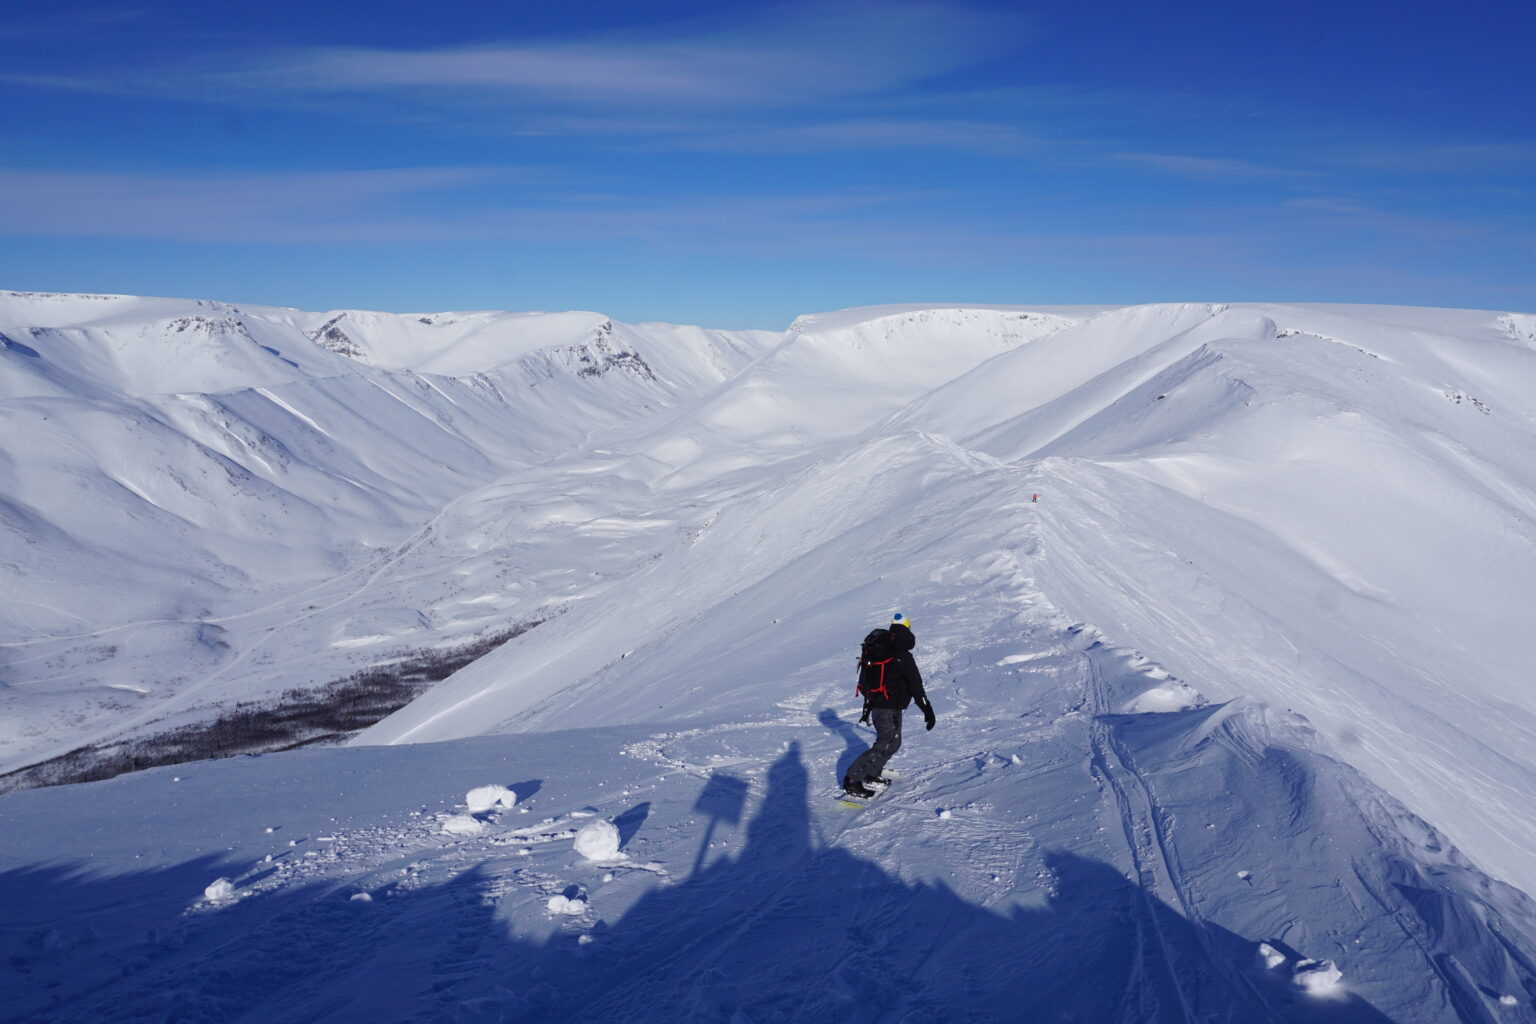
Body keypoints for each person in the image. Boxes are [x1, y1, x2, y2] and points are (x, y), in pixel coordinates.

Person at [843, 613, 936, 798]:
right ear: (907, 630)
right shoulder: (900, 654)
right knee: (886, 743)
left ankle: (871, 773)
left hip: (881, 704)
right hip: (887, 706)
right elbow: (915, 685)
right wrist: (927, 709)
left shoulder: (882, 650)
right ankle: (853, 779)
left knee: (892, 742)